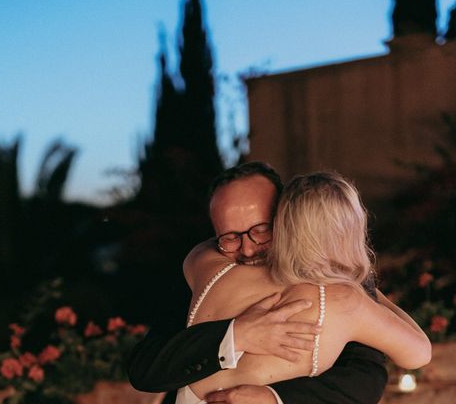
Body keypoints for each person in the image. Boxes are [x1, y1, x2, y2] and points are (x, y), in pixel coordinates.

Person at [127, 162, 388, 404]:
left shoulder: (336, 276)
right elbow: (145, 368)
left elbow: (367, 376)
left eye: (261, 230)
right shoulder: (205, 273)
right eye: (229, 237)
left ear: (287, 218)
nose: (248, 250)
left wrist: (274, 398)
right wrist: (236, 335)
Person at [177, 170, 430, 403]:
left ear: (281, 223)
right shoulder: (345, 301)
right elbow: (419, 353)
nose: (248, 247)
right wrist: (367, 289)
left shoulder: (206, 262)